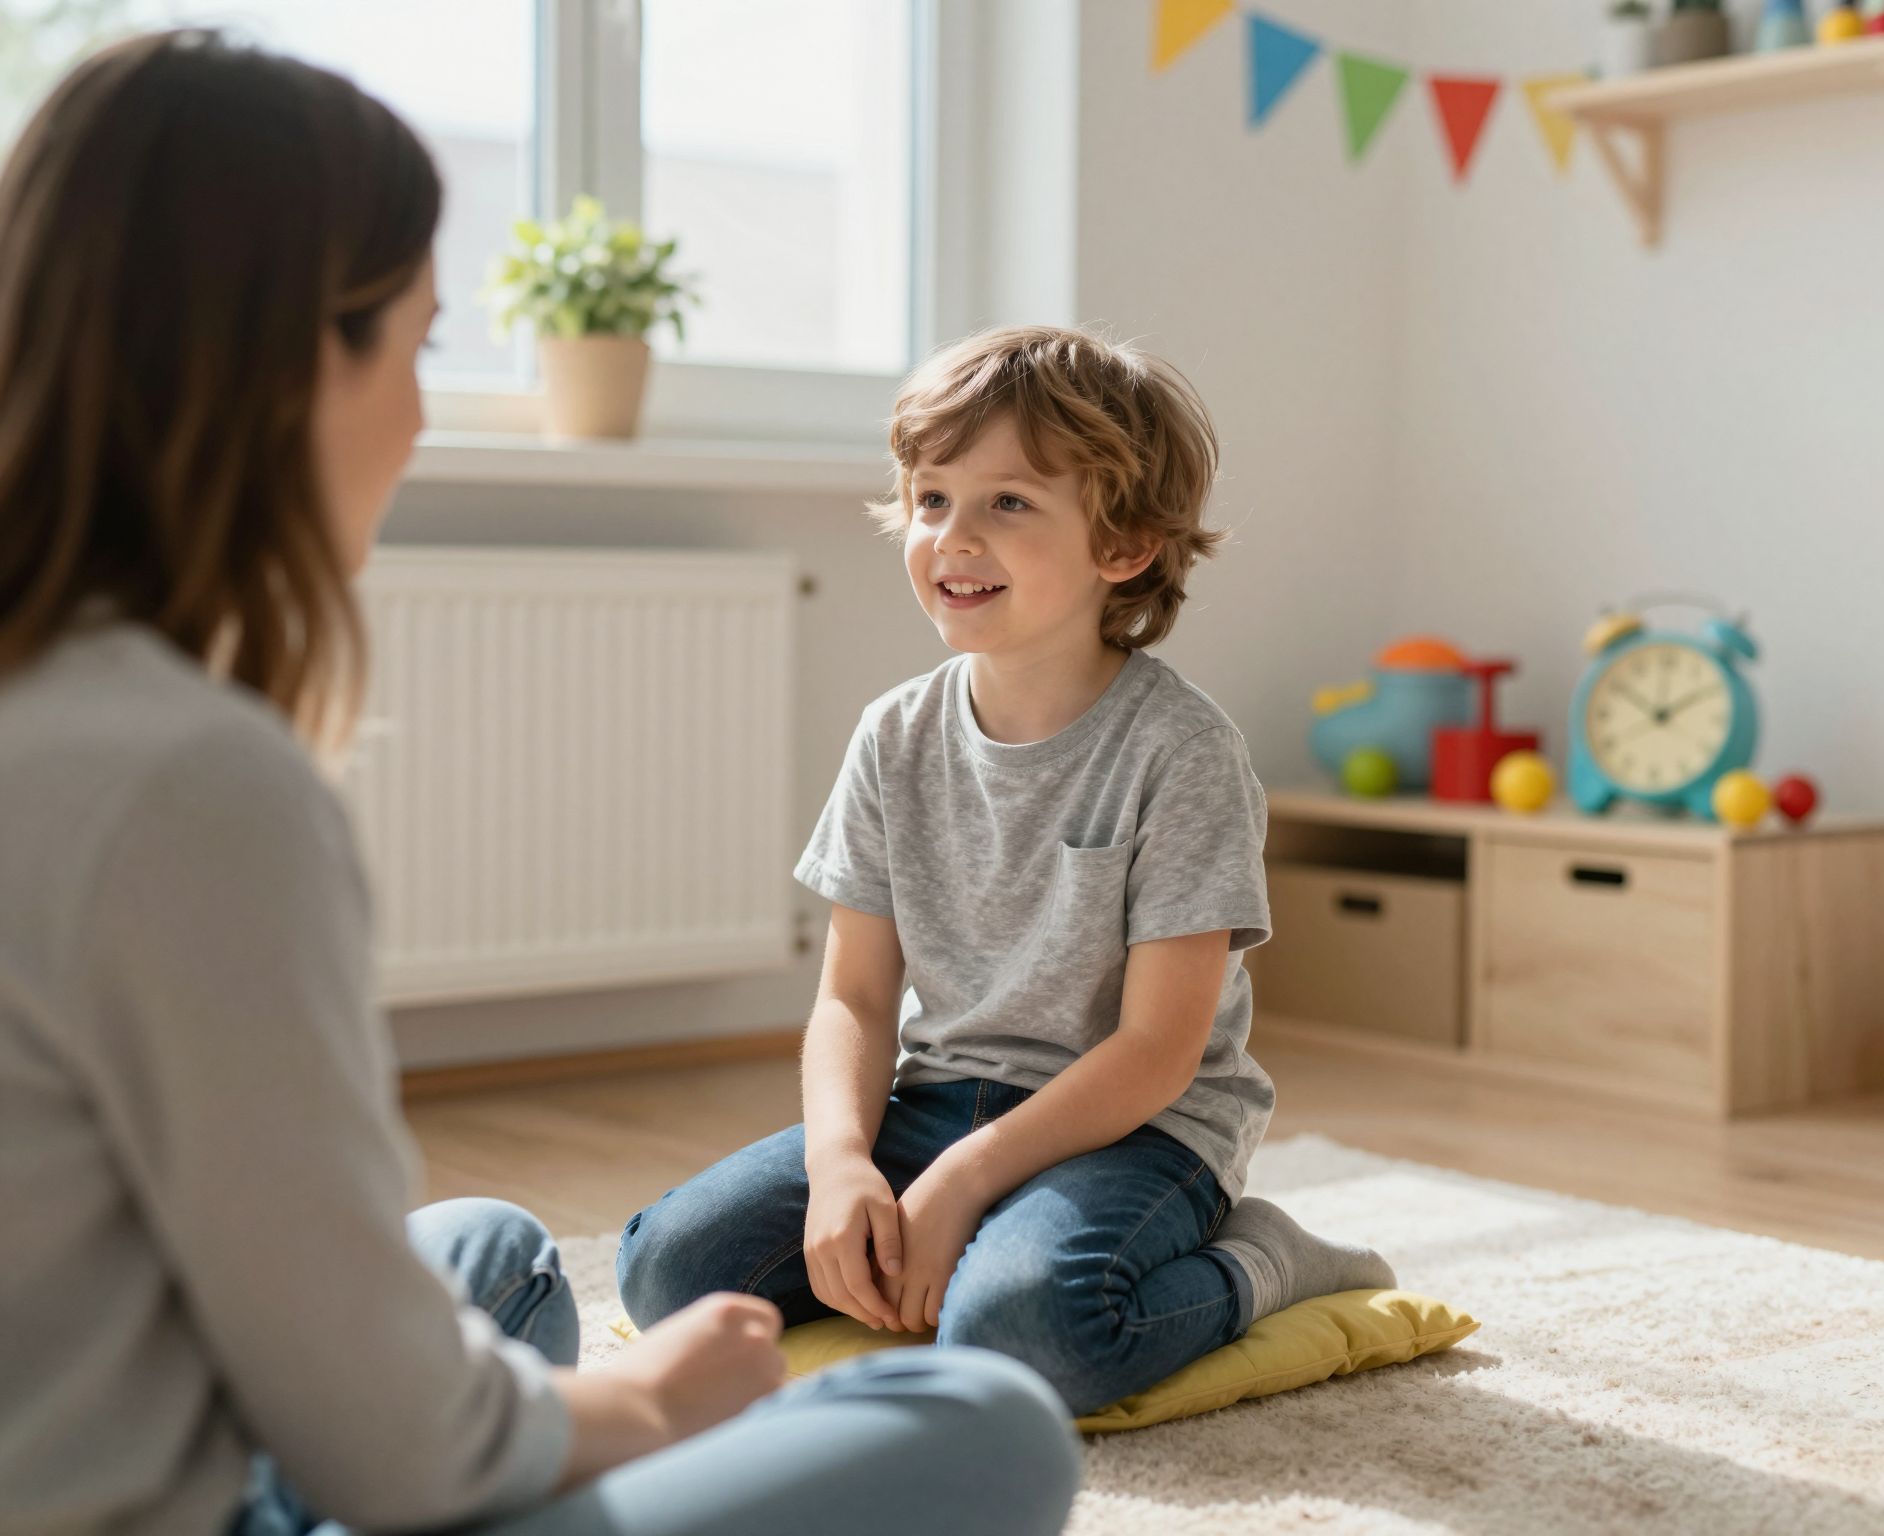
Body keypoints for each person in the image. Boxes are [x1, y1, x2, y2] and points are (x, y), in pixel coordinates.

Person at [0, 31, 1078, 1536]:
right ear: (294, 354)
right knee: (984, 1421)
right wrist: (651, 1403)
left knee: (491, 1252)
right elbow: (399, 1449)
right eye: (419, 345)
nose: (423, 416)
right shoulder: (184, 782)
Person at [617, 324, 1395, 1416]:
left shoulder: (1183, 753)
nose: (952, 538)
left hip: (1139, 1130)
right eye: (931, 499)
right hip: (937, 1100)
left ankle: (1258, 1261)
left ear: (1121, 546)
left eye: (1007, 504)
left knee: (1020, 1336)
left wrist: (964, 1181)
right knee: (667, 1273)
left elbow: (1157, 1051)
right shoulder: (892, 735)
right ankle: (968, 1230)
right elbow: (853, 994)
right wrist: (844, 1161)